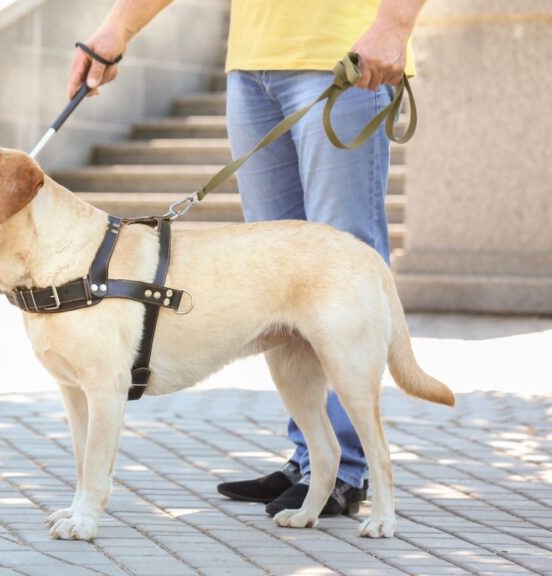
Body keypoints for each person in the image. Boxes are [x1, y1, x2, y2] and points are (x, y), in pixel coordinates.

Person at [68, 0, 426, 516]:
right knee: (274, 284)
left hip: (348, 51)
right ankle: (311, 460)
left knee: (340, 263)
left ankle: (349, 469)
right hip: (252, 68)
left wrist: (394, 25)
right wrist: (114, 28)